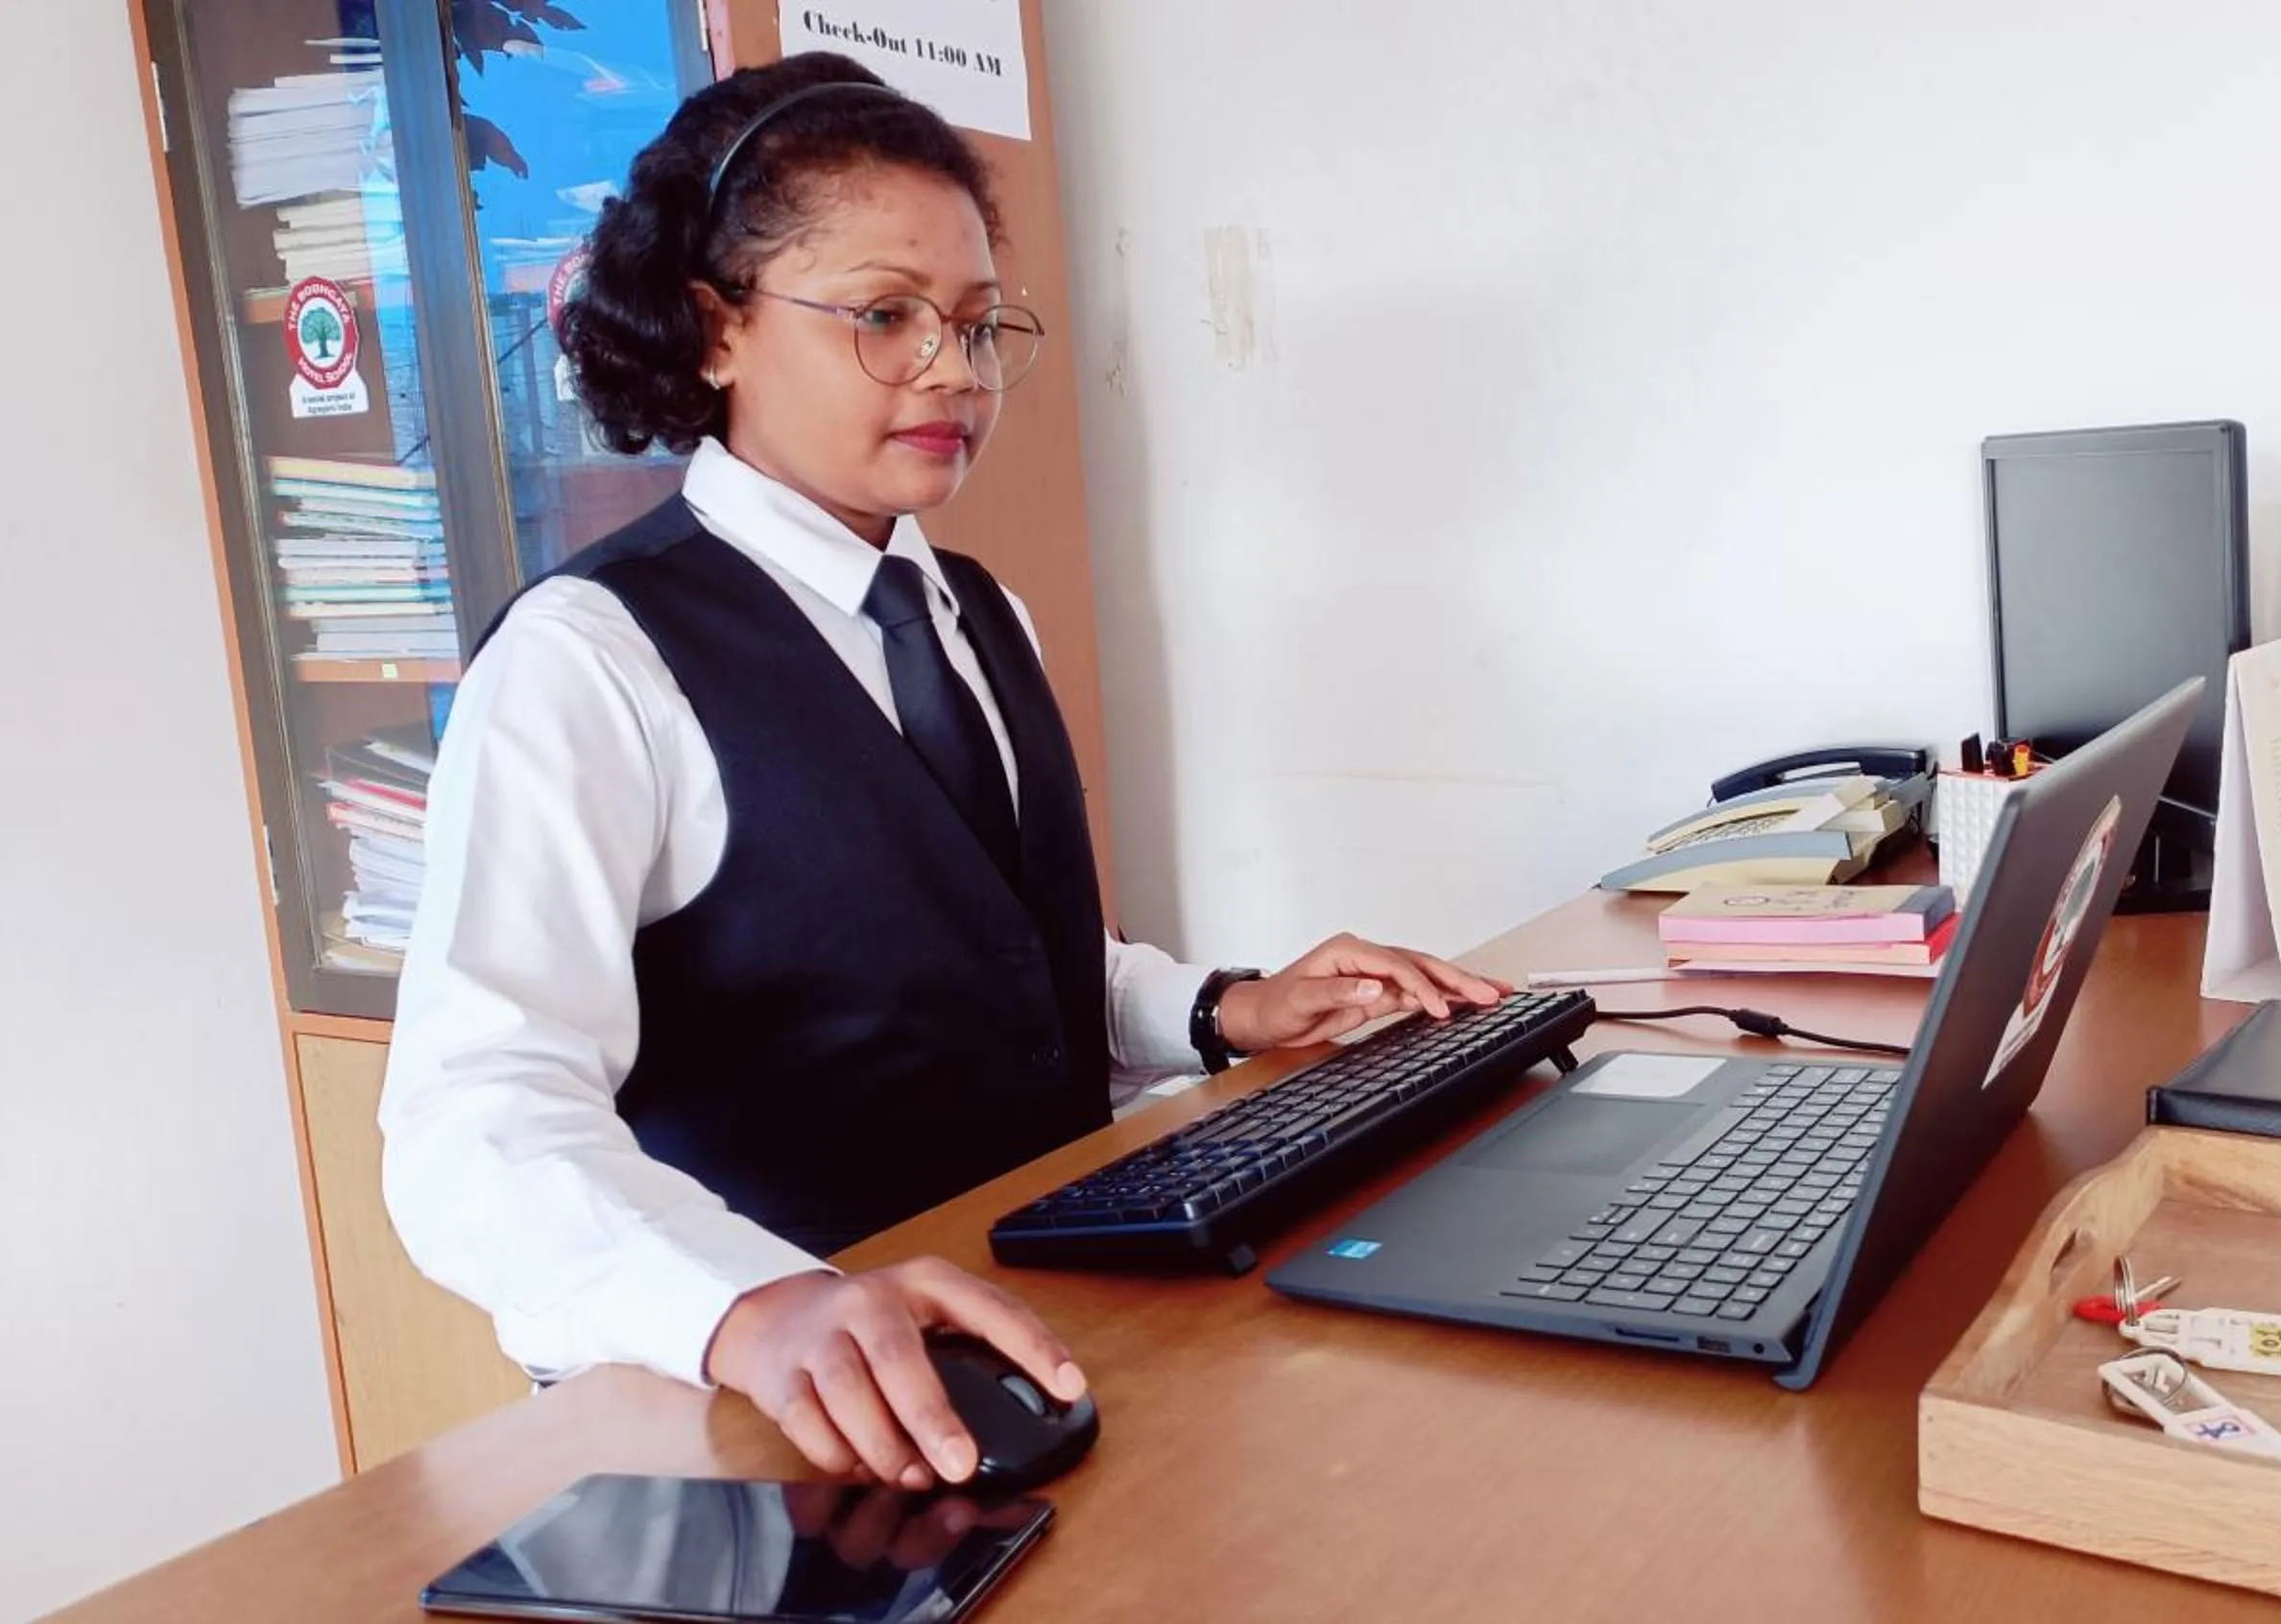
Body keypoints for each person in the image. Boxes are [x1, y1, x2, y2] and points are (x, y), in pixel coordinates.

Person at [381, 53, 1504, 1493]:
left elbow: (1012, 964)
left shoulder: (980, 610)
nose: (953, 373)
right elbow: (476, 1125)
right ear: (715, 328)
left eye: (977, 327)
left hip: (1032, 1339)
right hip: (768, 1424)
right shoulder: (589, 659)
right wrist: (750, 1307)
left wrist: (1224, 1008)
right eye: (885, 317)